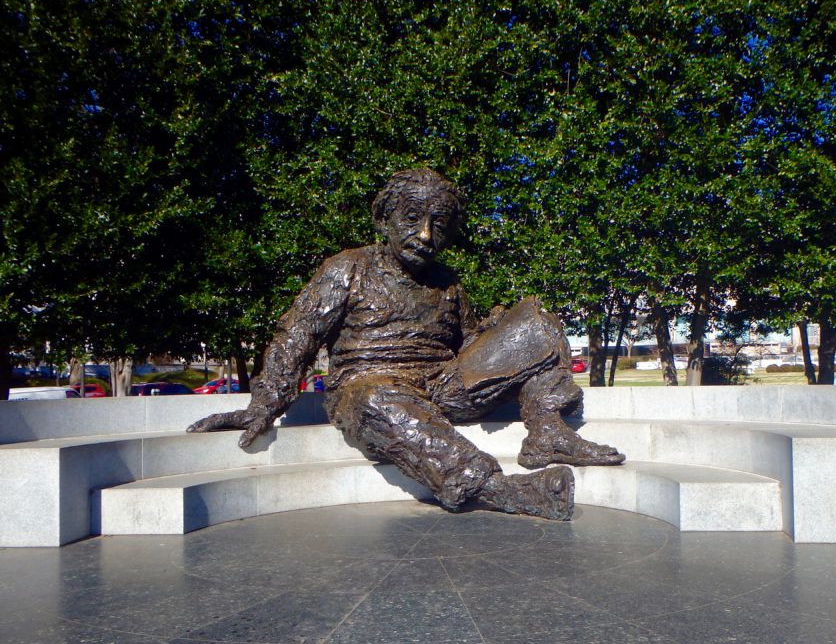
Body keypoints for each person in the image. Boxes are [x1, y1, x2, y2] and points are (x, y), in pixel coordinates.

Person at [188, 168, 623, 520]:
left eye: (440, 225)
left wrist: (499, 333)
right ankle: (497, 488)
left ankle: (547, 433)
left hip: (442, 383)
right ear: (384, 221)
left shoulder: (447, 282)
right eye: (413, 219)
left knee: (535, 324)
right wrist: (263, 406)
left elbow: (471, 347)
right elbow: (297, 335)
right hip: (371, 387)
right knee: (372, 398)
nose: (427, 236)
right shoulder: (348, 268)